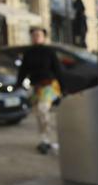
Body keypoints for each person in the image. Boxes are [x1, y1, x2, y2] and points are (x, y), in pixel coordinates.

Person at [16, 26, 63, 155]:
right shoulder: (28, 53)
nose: (36, 37)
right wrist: (18, 84)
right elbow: (23, 70)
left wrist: (63, 87)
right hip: (35, 87)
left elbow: (58, 70)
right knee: (39, 113)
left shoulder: (49, 52)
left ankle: (46, 139)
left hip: (48, 86)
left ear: (44, 37)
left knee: (43, 110)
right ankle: (44, 139)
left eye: (39, 35)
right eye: (34, 35)